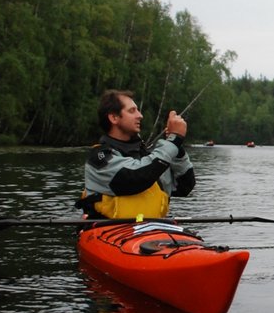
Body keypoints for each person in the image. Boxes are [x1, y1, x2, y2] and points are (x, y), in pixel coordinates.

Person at [76, 89, 196, 219]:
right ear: (114, 118)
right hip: (111, 232)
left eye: (138, 110)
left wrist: (176, 147)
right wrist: (174, 140)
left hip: (154, 232)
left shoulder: (151, 160)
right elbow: (135, 177)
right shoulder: (99, 158)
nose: (140, 115)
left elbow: (184, 187)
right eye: (132, 111)